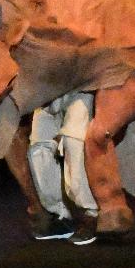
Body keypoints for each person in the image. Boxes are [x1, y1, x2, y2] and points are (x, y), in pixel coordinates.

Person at [28, 91, 100, 246]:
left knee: (74, 142)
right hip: (48, 90)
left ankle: (91, 214)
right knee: (38, 149)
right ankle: (60, 215)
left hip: (82, 87)